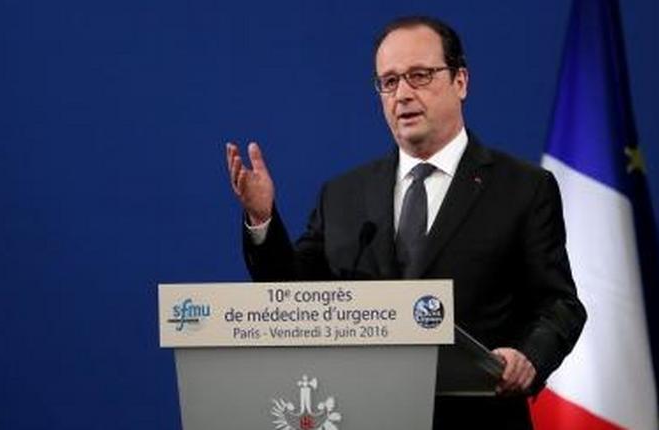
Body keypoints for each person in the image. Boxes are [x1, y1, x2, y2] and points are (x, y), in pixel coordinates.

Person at [225, 16, 586, 430]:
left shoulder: (523, 187)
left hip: (478, 418)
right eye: (389, 81)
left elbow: (560, 304)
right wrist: (262, 219)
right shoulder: (342, 194)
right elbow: (291, 298)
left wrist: (528, 358)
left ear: (461, 82)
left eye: (419, 75)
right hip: (362, 415)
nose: (403, 95)